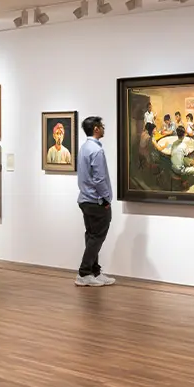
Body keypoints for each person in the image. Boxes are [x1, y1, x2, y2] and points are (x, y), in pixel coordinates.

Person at [75, 116, 115, 287]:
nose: (104, 128)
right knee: (97, 237)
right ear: (96, 129)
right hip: (96, 201)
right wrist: (106, 198)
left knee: (92, 236)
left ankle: (94, 271)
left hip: (85, 200)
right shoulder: (96, 151)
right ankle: (84, 273)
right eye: (102, 126)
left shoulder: (84, 147)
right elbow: (99, 179)